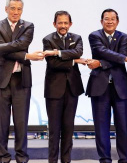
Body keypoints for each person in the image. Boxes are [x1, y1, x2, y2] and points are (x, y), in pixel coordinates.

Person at [0, 0, 44, 163]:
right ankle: (3, 157)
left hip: (21, 79)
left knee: (21, 122)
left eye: (19, 9)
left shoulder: (28, 26)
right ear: (6, 9)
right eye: (12, 8)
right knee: (1, 123)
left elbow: (20, 45)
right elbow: (7, 52)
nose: (16, 12)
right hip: (2, 79)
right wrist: (27, 56)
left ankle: (22, 157)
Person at [85, 8, 127, 163]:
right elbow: (102, 51)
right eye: (106, 19)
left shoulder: (124, 37)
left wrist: (100, 63)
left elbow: (119, 56)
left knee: (122, 126)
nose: (109, 21)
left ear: (118, 21)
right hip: (99, 87)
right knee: (101, 127)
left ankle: (124, 159)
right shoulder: (94, 36)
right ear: (101, 21)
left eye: (113, 19)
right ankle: (105, 159)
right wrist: (122, 59)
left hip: (120, 87)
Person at [42, 11, 87, 163]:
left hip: (72, 88)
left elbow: (78, 51)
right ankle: (53, 160)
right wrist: (74, 61)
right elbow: (53, 63)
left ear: (70, 24)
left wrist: (57, 52)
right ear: (54, 24)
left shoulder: (77, 38)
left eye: (65, 23)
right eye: (60, 23)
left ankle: (66, 160)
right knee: (54, 129)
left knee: (68, 128)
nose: (63, 26)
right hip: (54, 89)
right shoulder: (47, 39)